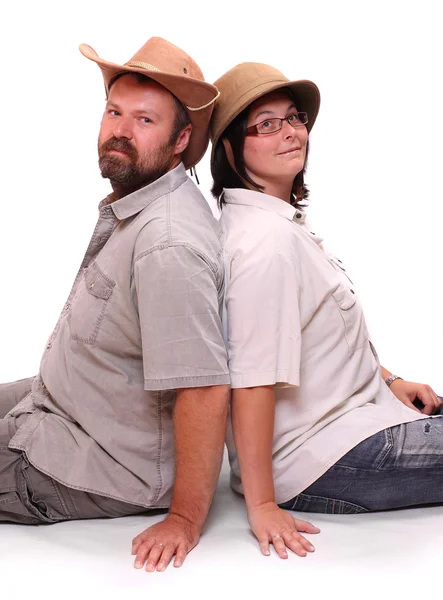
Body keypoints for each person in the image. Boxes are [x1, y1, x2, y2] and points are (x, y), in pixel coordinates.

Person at [0, 37, 230, 573]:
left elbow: (204, 387)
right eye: (114, 112)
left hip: (96, 459)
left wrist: (185, 519)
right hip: (64, 404)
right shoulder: (143, 199)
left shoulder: (167, 243)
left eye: (145, 121)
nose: (120, 131)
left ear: (181, 140)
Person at [209, 62, 442, 560]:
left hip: (361, 419)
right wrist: (264, 503)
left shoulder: (274, 224)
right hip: (327, 457)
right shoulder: (263, 245)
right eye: (266, 123)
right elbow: (251, 377)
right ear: (230, 148)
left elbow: (318, 333)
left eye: (293, 117)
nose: (291, 131)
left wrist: (389, 380)